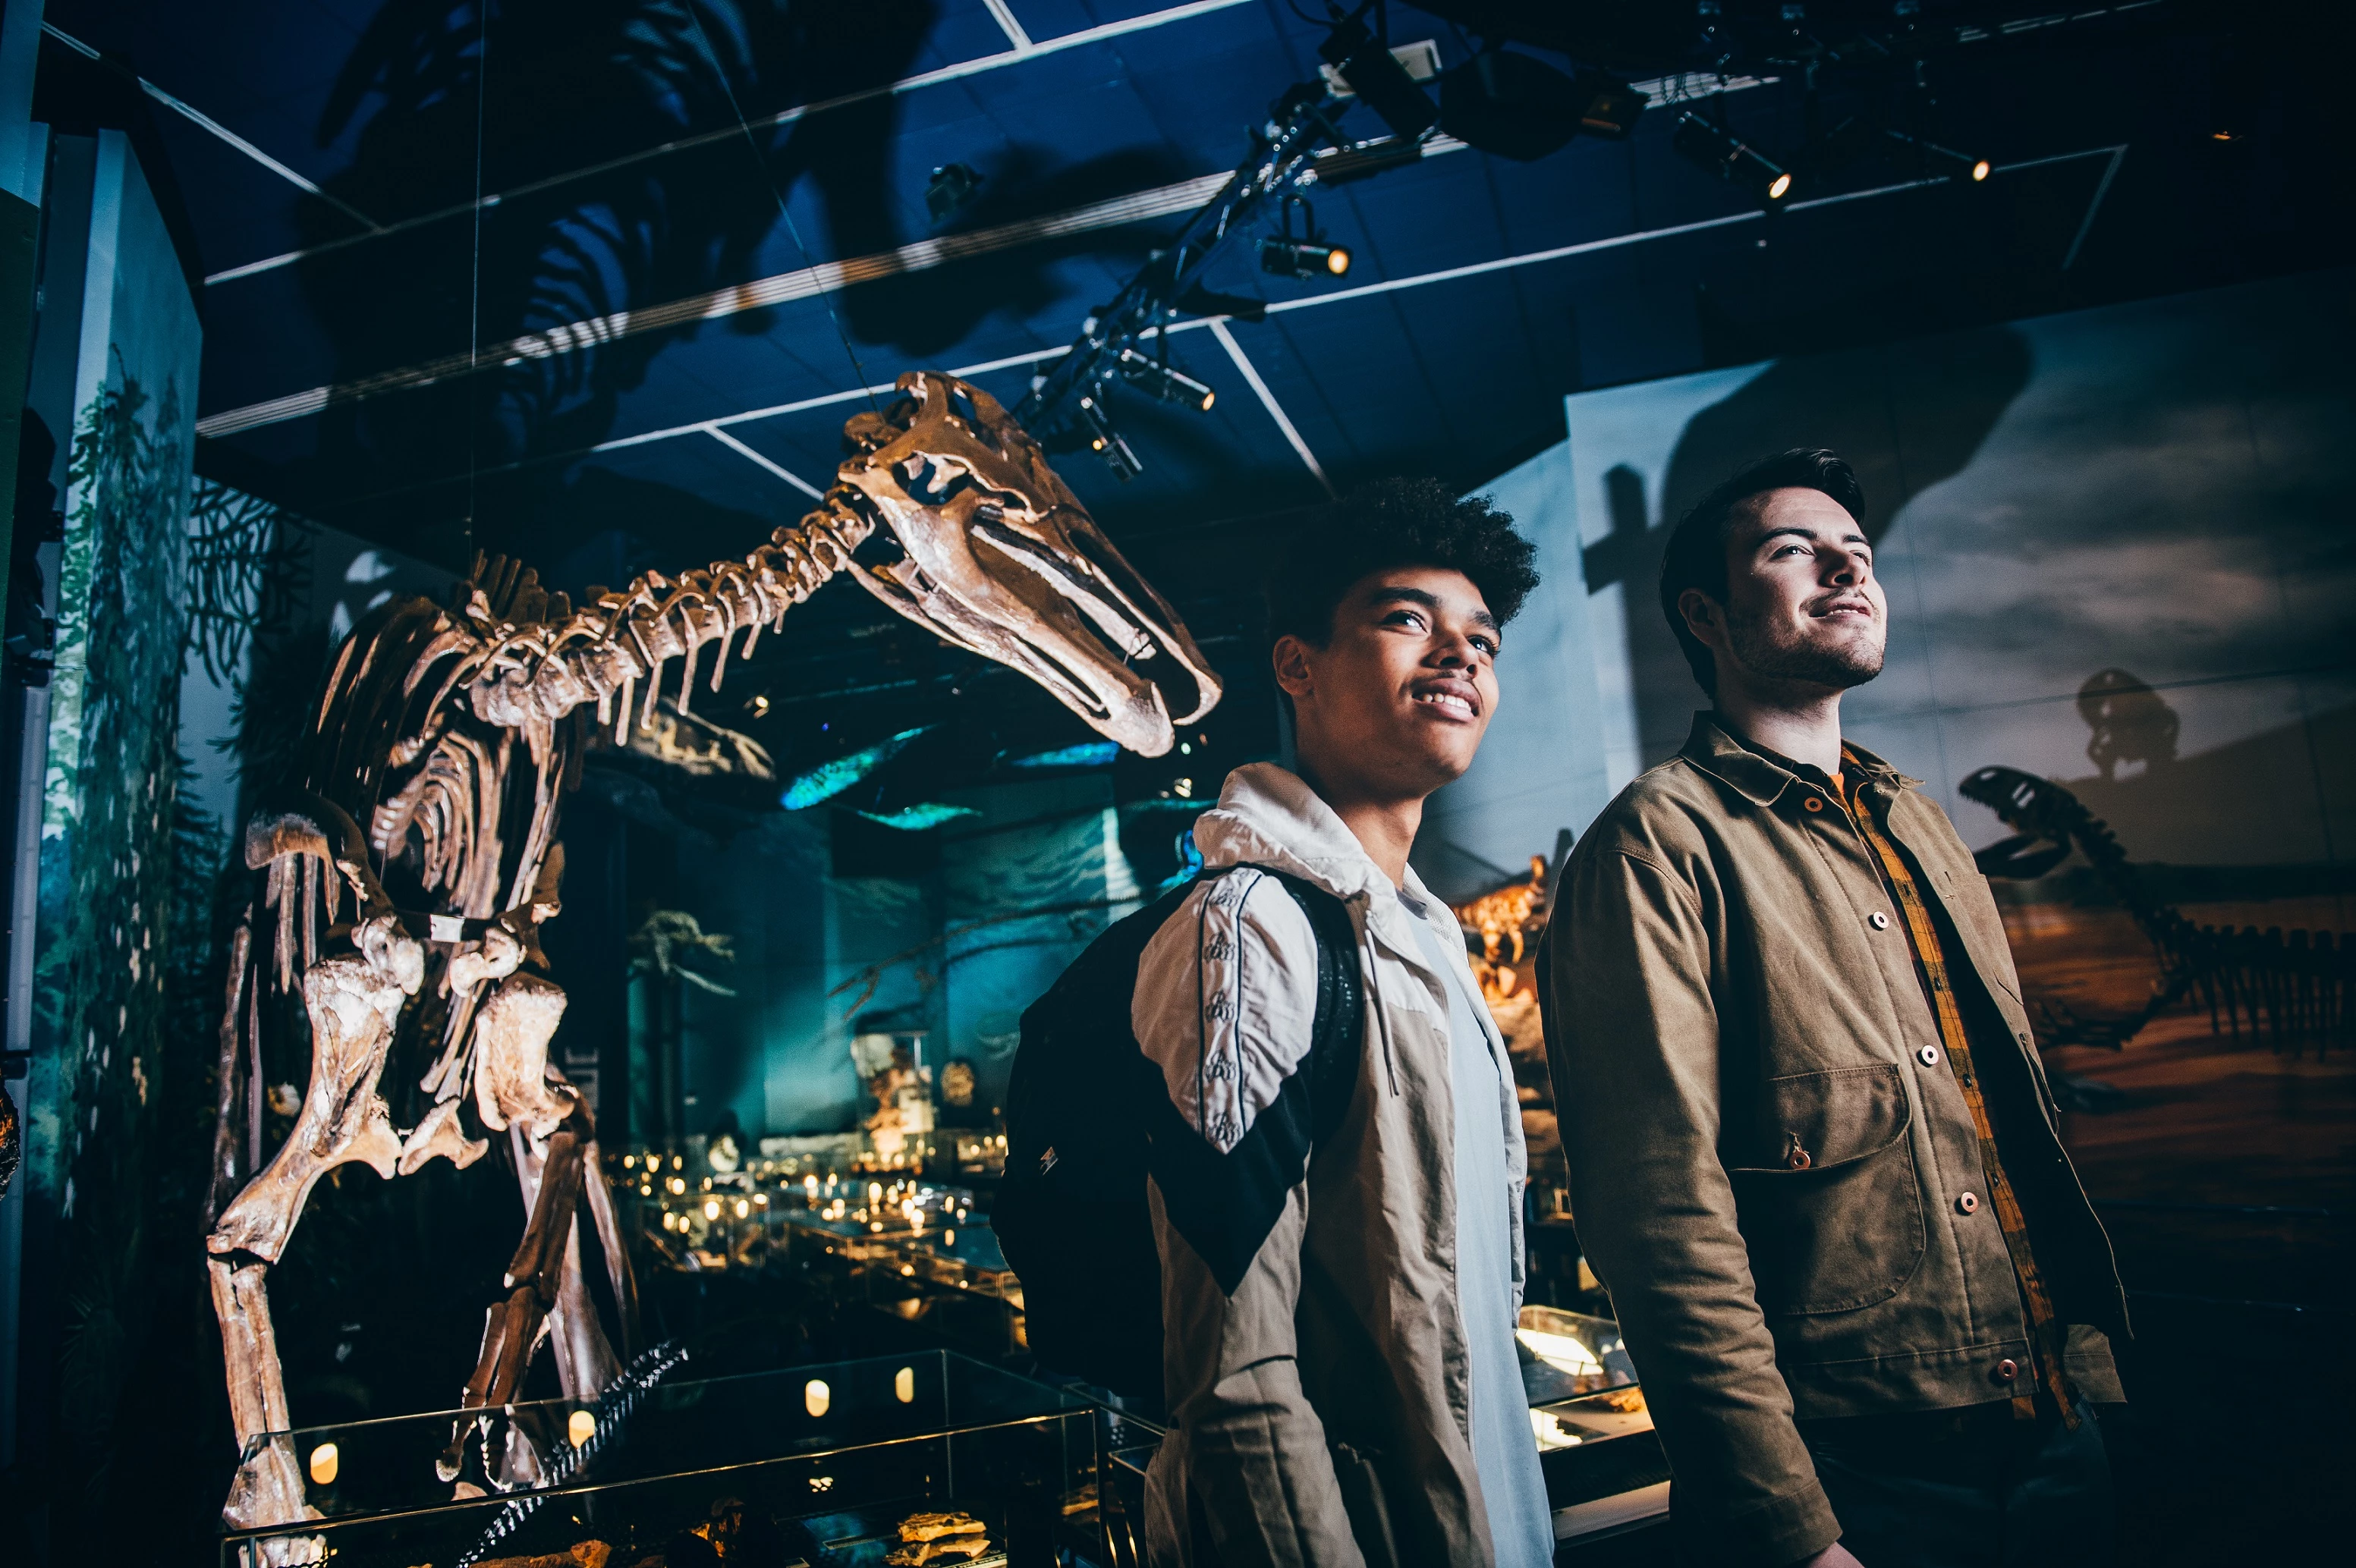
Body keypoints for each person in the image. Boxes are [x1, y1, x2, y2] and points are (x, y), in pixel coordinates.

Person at [1540, 449, 2130, 1567]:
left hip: (2057, 1420)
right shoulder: (1654, 846)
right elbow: (1661, 1216)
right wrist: (1787, 1527)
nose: (1845, 568)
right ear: (1705, 613)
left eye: (1856, 552)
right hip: (1862, 1475)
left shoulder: (1920, 822)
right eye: (1792, 550)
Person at [1138, 478, 1552, 1568]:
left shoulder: (1428, 939)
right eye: (1408, 618)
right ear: (1297, 665)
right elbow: (1238, 1372)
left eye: (1484, 639)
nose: (1460, 655)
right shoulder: (1251, 929)